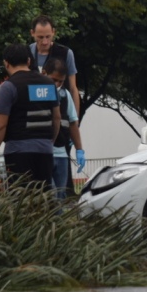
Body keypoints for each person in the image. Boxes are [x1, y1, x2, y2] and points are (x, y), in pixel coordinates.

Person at [0, 43, 61, 188]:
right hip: (45, 151)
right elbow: (57, 117)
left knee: (21, 201)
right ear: (29, 61)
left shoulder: (8, 87)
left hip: (18, 152)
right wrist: (49, 141)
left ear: (6, 63)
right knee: (43, 199)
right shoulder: (49, 84)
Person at [42, 58, 86, 200]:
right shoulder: (37, 93)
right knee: (50, 194)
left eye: (60, 81)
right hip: (43, 152)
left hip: (61, 153)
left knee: (60, 195)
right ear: (44, 73)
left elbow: (73, 123)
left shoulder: (65, 95)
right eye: (53, 80)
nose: (56, 84)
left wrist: (79, 149)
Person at [28, 15, 80, 115]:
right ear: (32, 33)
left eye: (48, 36)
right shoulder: (27, 53)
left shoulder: (66, 53)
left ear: (53, 32)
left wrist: (75, 119)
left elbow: (73, 88)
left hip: (60, 112)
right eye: (40, 37)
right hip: (33, 114)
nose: (44, 42)